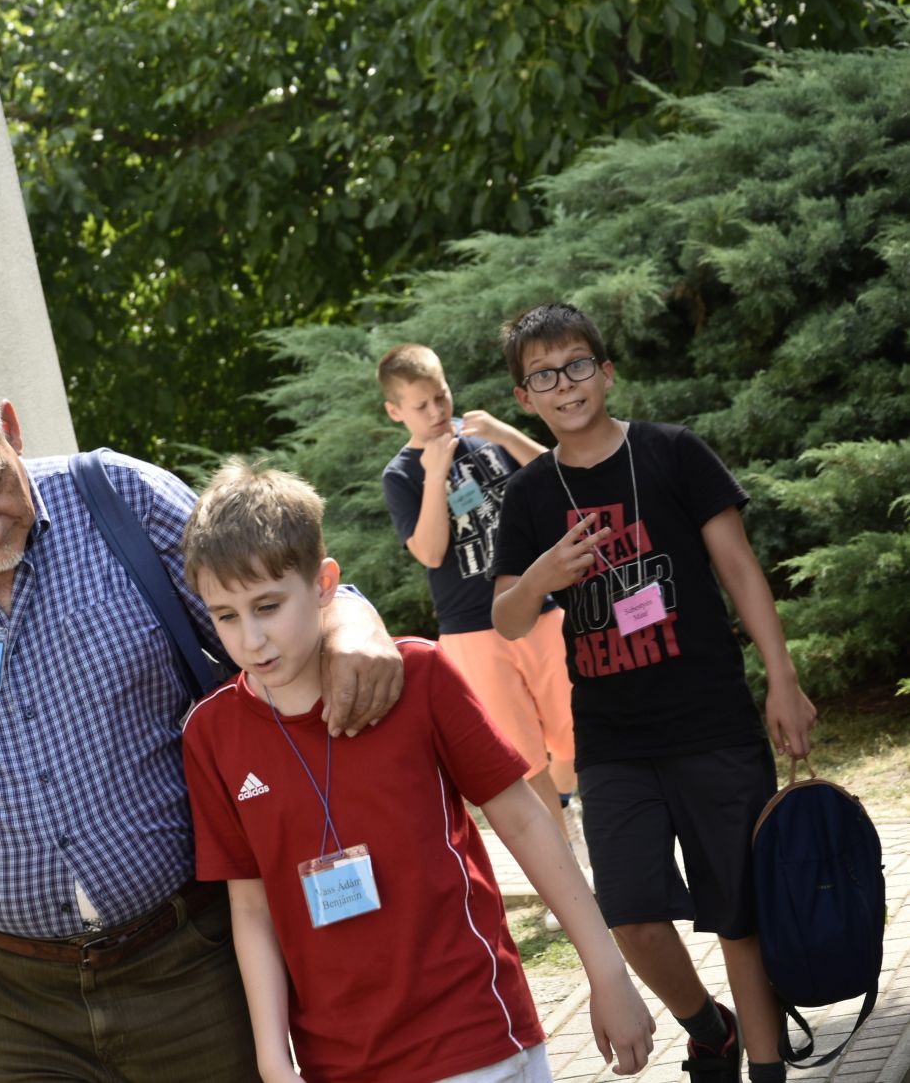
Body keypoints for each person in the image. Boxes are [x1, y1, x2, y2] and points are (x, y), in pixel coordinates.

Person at [0, 357, 405, 1083]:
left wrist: (350, 617)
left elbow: (267, 589)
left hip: (186, 960)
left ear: (10, 428)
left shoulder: (117, 496)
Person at [180, 458, 654, 1083]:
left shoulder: (419, 676)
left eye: (268, 606)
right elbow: (250, 905)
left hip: (477, 1037)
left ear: (324, 584)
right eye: (226, 615)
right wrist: (273, 1059)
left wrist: (607, 972)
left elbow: (523, 820)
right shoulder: (211, 734)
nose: (251, 638)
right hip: (339, 1063)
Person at [490, 304, 818, 1083]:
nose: (564, 383)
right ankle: (710, 1028)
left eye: (576, 364)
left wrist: (782, 678)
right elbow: (505, 616)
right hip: (612, 741)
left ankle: (765, 1070)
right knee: (630, 913)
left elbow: (738, 569)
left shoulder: (672, 452)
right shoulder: (530, 494)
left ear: (605, 372)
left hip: (711, 721)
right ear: (523, 398)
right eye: (543, 375)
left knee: (738, 913)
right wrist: (542, 576)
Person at [378, 343, 577, 827]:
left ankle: (565, 803)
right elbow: (429, 552)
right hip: (471, 629)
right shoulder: (401, 474)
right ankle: (566, 857)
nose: (436, 412)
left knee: (578, 730)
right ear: (395, 411)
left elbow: (561, 476)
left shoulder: (486, 440)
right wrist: (435, 475)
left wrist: (504, 433)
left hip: (538, 606)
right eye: (421, 406)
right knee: (524, 757)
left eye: (441, 397)